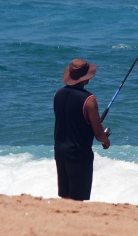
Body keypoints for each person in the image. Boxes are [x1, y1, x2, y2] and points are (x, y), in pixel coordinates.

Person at [53, 58, 110, 201]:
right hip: (79, 154)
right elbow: (98, 135)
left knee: (65, 195)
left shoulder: (57, 95)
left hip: (60, 150)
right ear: (86, 77)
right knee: (77, 198)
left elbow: (69, 120)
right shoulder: (89, 99)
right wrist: (106, 141)